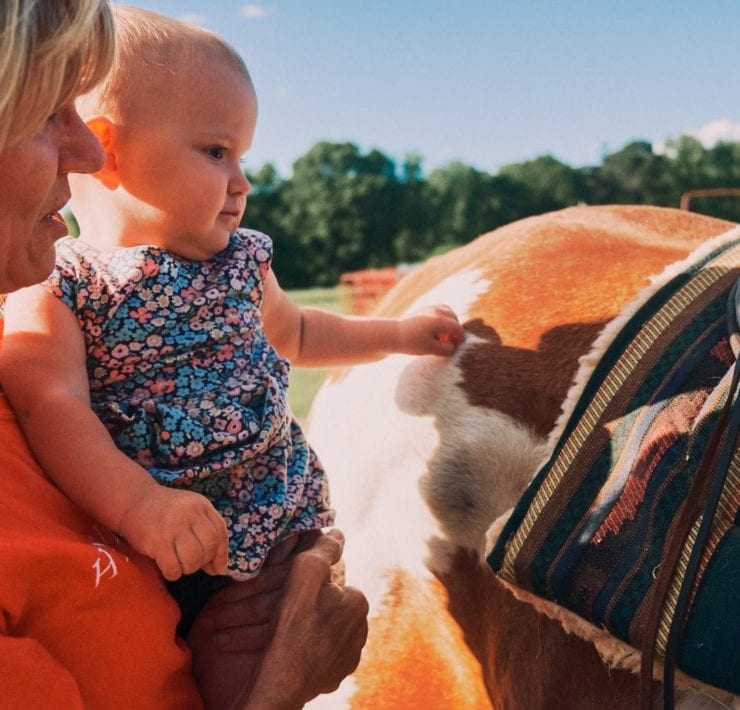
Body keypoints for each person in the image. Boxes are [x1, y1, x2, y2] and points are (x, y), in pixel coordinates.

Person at [0, 3, 464, 636]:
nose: (241, 182)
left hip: (282, 518)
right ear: (108, 150)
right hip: (170, 547)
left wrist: (399, 334)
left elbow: (298, 332)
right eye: (217, 151)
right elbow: (52, 407)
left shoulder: (241, 262)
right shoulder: (63, 283)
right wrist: (140, 504)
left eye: (242, 157)